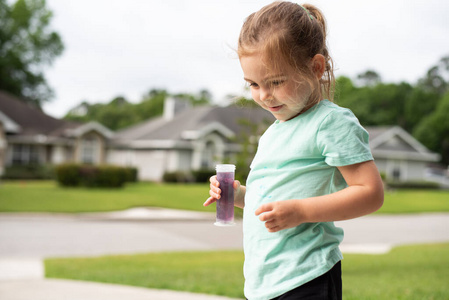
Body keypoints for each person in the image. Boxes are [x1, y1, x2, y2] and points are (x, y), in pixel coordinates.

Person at [204, 2, 384, 300]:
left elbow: (370, 193)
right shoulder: (275, 131)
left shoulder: (331, 122)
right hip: (266, 281)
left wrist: (301, 212)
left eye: (275, 82)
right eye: (253, 84)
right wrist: (238, 196)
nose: (263, 95)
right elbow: (274, 200)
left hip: (307, 275)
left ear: (315, 68)